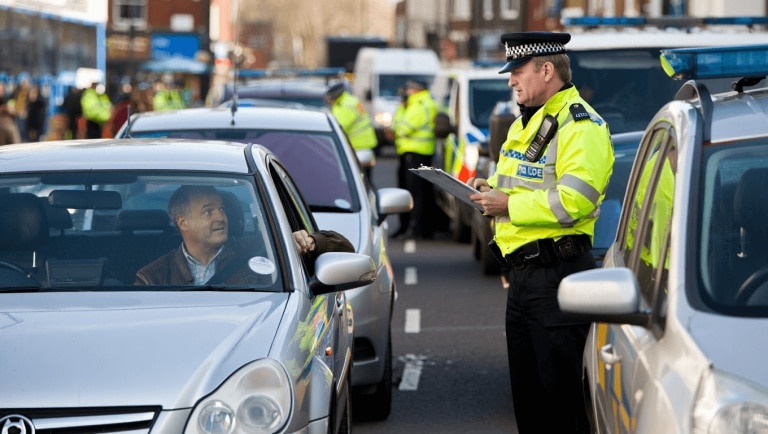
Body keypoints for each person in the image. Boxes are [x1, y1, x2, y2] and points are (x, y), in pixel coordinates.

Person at [468, 32, 614, 434]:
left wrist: (507, 205)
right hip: (523, 280)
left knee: (562, 408)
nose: (511, 81)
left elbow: (575, 201)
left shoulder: (580, 124)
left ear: (546, 70)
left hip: (558, 277)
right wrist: (485, 190)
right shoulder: (524, 121)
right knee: (528, 405)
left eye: (516, 72)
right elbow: (509, 181)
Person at [135, 185, 354, 285]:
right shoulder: (152, 277)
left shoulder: (265, 250)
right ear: (183, 222)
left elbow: (345, 249)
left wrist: (312, 242)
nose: (220, 217)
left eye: (221, 209)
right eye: (208, 211)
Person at [393, 79, 438, 240]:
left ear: (416, 90)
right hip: (410, 152)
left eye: (409, 89)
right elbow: (396, 124)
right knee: (413, 191)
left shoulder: (421, 104)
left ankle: (417, 229)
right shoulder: (414, 103)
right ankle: (412, 227)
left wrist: (400, 121)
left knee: (416, 193)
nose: (407, 92)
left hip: (417, 152)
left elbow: (403, 127)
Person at [325, 82, 378, 180]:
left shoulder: (345, 105)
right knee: (365, 182)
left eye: (330, 98)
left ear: (334, 96)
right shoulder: (350, 101)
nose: (329, 101)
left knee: (358, 183)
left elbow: (339, 126)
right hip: (363, 148)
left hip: (358, 149)